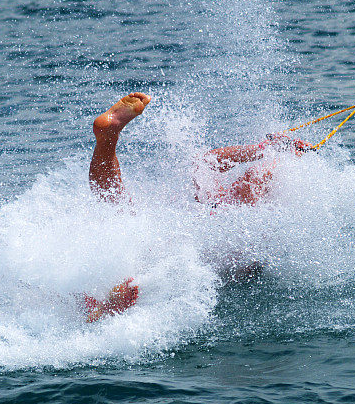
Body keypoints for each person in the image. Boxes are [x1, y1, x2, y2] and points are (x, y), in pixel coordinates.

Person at [82, 92, 311, 322]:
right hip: (192, 251)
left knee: (120, 210)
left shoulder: (242, 217)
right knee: (125, 220)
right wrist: (270, 150)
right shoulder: (232, 211)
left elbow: (219, 165)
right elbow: (209, 162)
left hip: (189, 246)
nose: (242, 181)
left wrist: (271, 151)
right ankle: (108, 137)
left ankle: (107, 141)